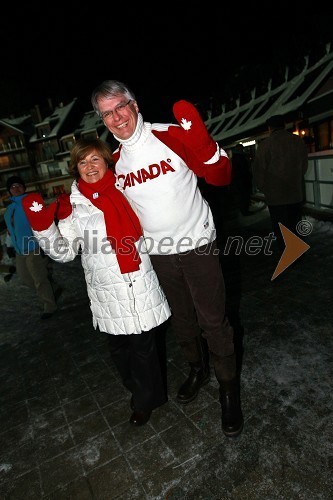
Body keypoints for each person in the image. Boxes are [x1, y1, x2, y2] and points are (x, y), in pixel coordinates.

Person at [91, 80, 244, 437]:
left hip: (198, 246)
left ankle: (228, 389)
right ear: (103, 120)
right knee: (182, 321)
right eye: (107, 113)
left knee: (213, 321)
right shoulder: (114, 163)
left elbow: (221, 176)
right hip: (159, 256)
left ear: (134, 104)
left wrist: (208, 150)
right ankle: (197, 369)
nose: (117, 117)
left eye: (120, 107)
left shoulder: (170, 135)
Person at [22, 138, 171, 427]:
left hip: (138, 279)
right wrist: (43, 228)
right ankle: (140, 390)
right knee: (119, 350)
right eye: (82, 161)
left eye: (95, 160)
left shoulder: (128, 188)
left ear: (106, 162)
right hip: (105, 290)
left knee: (143, 347)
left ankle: (146, 400)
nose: (90, 167)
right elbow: (64, 253)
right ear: (76, 167)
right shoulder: (72, 206)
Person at [4, 176, 59, 319]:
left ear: (24, 187)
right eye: (12, 187)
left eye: (18, 185)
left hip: (34, 246)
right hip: (19, 250)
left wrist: (44, 243)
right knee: (26, 278)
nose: (16, 188)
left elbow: (43, 221)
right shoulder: (9, 209)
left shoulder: (32, 202)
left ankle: (49, 307)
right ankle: (52, 289)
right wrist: (9, 246)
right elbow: (10, 230)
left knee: (39, 278)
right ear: (9, 191)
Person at [252, 115, 308, 251]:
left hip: (276, 196)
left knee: (281, 227)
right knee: (295, 224)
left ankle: (287, 252)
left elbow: (259, 170)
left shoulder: (265, 145)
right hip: (295, 193)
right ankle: (298, 250)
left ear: (270, 128)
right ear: (284, 125)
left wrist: (263, 187)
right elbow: (304, 165)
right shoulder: (297, 141)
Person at [231, 144, 253, 216]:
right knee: (244, 196)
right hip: (242, 180)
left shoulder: (235, 157)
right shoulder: (240, 157)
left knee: (242, 196)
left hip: (240, 180)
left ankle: (244, 210)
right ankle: (245, 211)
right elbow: (243, 169)